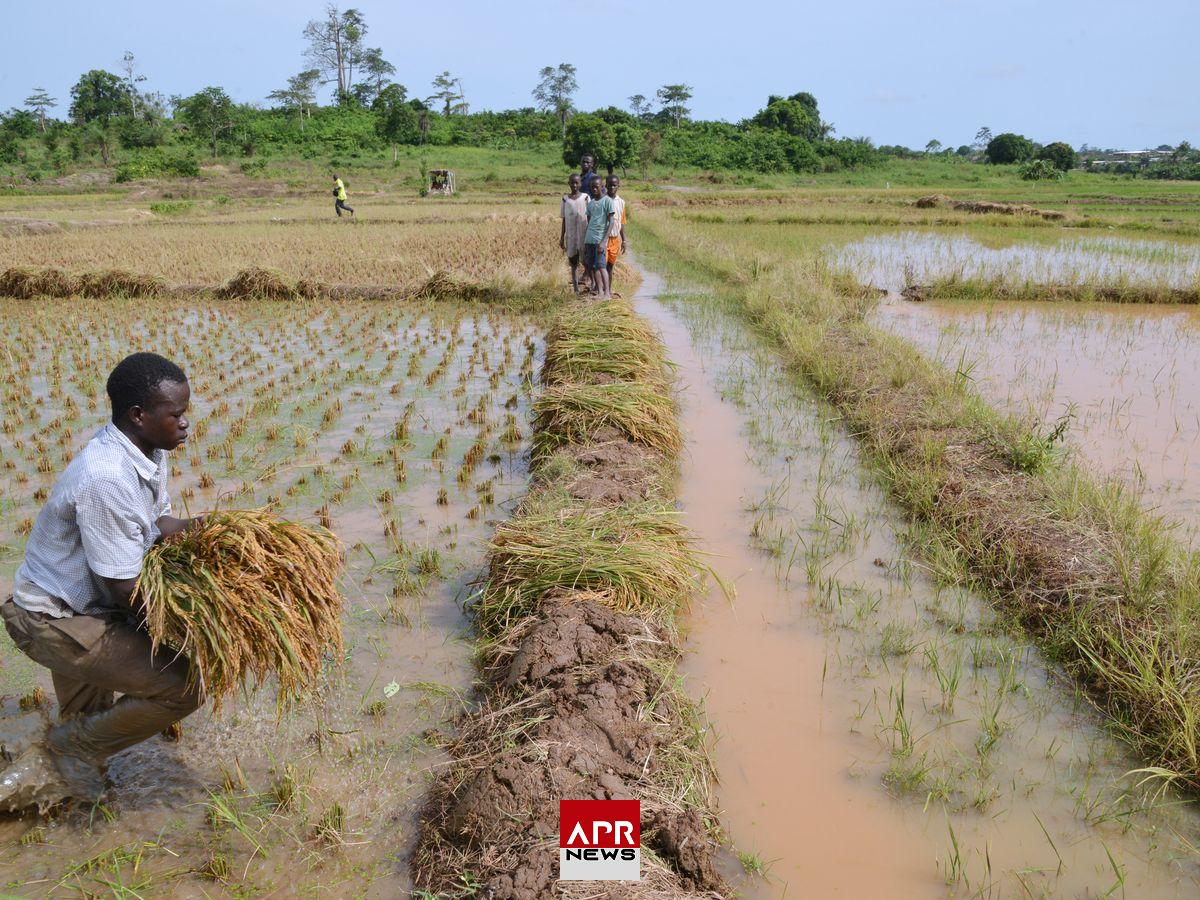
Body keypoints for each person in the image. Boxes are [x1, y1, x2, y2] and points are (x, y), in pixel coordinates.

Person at [0, 353, 203, 808]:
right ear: (139, 415)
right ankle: (62, 753)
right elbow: (123, 587)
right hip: (58, 620)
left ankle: (51, 803)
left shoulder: (145, 451)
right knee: (183, 687)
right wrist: (189, 632)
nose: (186, 424)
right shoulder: (107, 476)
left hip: (74, 608)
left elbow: (157, 526)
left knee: (84, 765)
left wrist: (211, 528)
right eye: (177, 415)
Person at [584, 176, 615, 299]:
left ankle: (607, 293)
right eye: (592, 187)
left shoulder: (607, 201)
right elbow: (589, 223)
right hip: (589, 239)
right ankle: (600, 292)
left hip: (599, 240)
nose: (594, 189)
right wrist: (585, 241)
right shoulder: (591, 204)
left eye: (597, 186)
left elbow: (611, 222)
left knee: (602, 266)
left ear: (602, 187)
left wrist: (604, 241)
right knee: (593, 266)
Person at [560, 173, 590, 294]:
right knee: (573, 261)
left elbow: (590, 216)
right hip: (571, 235)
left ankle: (590, 284)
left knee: (586, 260)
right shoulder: (565, 200)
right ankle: (576, 288)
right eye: (572, 183)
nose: (574, 185)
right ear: (569, 184)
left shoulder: (585, 198)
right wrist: (562, 237)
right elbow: (564, 219)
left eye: (577, 182)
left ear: (580, 184)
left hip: (584, 234)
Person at [604, 175, 628, 290]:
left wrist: (624, 240)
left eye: (614, 185)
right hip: (603, 239)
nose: (612, 187)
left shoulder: (621, 202)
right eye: (610, 185)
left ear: (618, 186)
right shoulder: (603, 200)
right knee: (601, 266)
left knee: (610, 266)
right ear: (606, 185)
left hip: (615, 239)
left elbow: (622, 222)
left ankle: (608, 290)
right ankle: (600, 289)